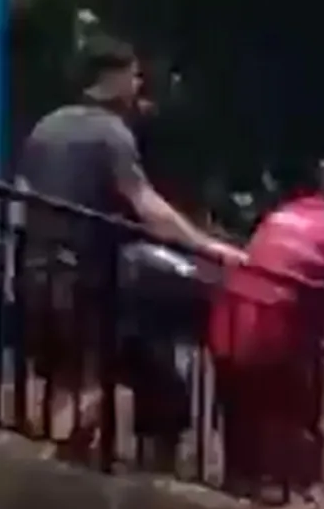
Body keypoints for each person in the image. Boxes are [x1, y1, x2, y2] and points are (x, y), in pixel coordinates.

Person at [17, 38, 241, 466]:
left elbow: (25, 192)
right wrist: (205, 244)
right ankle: (57, 462)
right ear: (112, 78)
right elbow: (146, 203)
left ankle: (61, 458)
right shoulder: (111, 132)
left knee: (62, 377)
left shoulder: (45, 126)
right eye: (133, 75)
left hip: (35, 267)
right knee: (97, 376)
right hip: (86, 272)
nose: (138, 84)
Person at [209, 148, 324, 497]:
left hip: (226, 331)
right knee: (299, 449)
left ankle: (238, 500)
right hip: (275, 338)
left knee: (244, 450)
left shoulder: (282, 215)